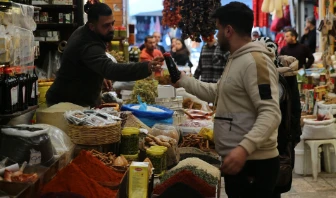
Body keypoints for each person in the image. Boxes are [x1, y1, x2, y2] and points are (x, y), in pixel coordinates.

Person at [174, 2, 281, 197]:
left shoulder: (255, 61)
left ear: (229, 30)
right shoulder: (236, 58)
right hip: (239, 161)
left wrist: (243, 149)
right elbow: (218, 92)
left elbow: (271, 113)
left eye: (218, 29)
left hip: (254, 164)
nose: (216, 35)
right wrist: (183, 81)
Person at [46, 2, 163, 107]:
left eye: (112, 23)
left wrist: (98, 74)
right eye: (106, 25)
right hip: (65, 105)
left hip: (76, 101)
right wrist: (146, 66)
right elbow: (111, 69)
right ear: (92, 26)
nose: (112, 29)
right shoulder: (88, 44)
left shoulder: (87, 32)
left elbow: (85, 63)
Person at [254, 37, 302, 198]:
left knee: (271, 185)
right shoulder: (284, 73)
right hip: (274, 139)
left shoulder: (281, 76)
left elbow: (294, 107)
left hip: (276, 139)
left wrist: (293, 136)